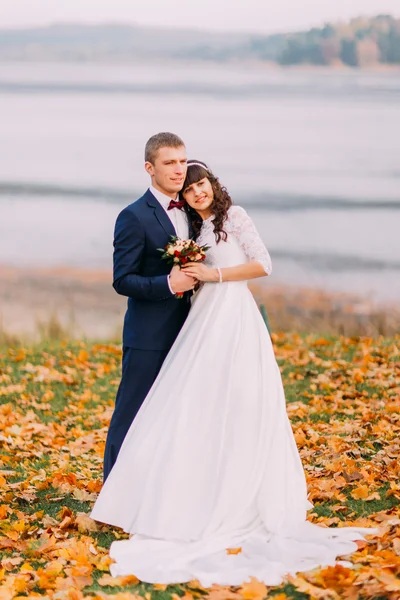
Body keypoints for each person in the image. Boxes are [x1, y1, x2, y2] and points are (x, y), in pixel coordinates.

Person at [92, 160, 377, 586]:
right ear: (184, 197)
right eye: (189, 190)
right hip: (201, 321)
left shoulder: (235, 217)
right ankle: (185, 486)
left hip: (234, 319)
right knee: (195, 403)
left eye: (201, 184)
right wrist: (189, 276)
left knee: (241, 399)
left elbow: (263, 265)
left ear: (212, 184)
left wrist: (215, 274)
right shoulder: (192, 230)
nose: (197, 193)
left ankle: (241, 492)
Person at [103, 132, 197, 481]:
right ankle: (112, 490)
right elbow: (122, 280)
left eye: (183, 161)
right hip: (148, 334)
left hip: (191, 331)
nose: (178, 170)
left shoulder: (192, 210)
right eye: (169, 163)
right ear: (149, 167)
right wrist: (169, 284)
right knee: (131, 412)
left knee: (175, 414)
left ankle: (159, 486)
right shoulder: (133, 216)